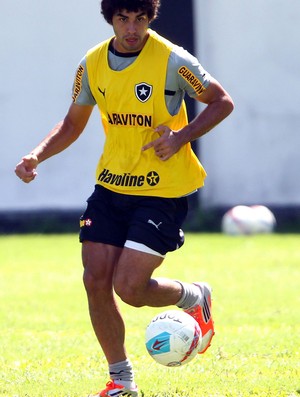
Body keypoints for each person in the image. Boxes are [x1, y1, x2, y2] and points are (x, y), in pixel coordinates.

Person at [15, 0, 234, 396]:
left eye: (140, 19)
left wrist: (180, 137)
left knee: (130, 289)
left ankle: (194, 295)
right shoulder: (92, 63)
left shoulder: (172, 59)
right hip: (111, 186)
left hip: (161, 191)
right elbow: (72, 122)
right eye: (123, 19)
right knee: (95, 279)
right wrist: (37, 155)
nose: (131, 28)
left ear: (150, 19)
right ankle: (121, 380)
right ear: (111, 19)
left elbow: (222, 101)